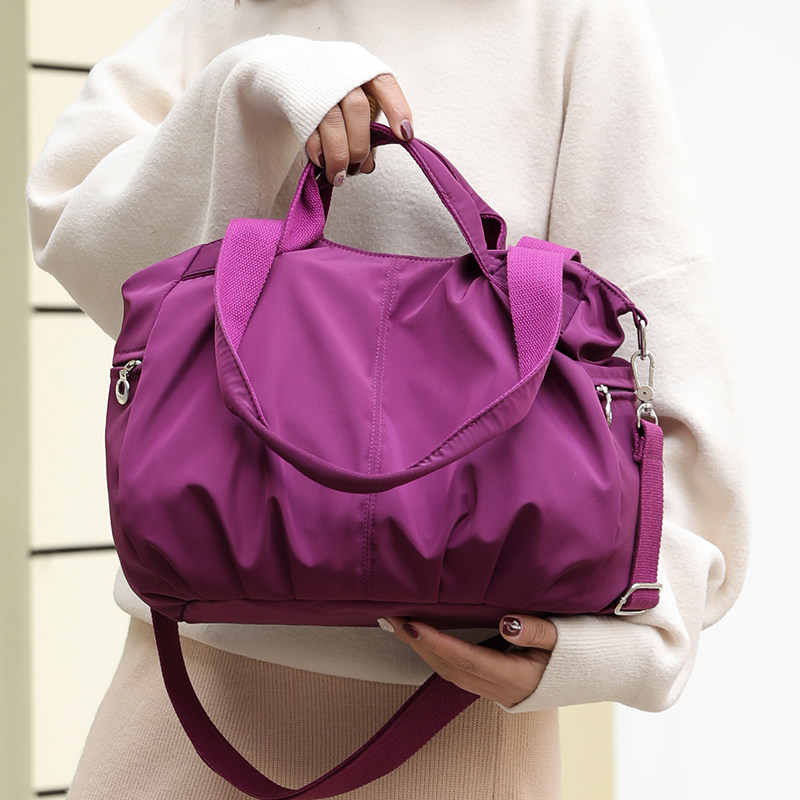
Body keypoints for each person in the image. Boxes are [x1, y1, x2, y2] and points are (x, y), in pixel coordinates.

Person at [26, 1, 749, 798]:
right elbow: (75, 231)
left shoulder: (571, 20)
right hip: (180, 709)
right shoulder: (239, 12)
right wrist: (257, 89)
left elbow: (664, 344)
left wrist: (625, 645)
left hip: (462, 728)